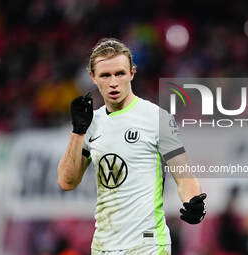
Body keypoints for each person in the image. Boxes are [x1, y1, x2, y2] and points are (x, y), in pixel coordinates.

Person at [57, 38, 206, 255]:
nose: (113, 82)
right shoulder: (91, 123)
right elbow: (67, 181)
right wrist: (78, 131)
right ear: (93, 77)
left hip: (148, 243)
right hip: (104, 244)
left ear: (132, 73)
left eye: (120, 73)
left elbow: (184, 176)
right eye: (105, 75)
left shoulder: (156, 118)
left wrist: (193, 201)